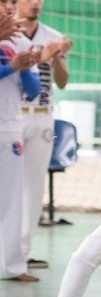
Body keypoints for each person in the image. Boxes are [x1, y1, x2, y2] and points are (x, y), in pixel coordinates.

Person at [16, 0, 72, 270]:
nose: (35, 3)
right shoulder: (8, 34)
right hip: (13, 115)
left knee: (34, 186)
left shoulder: (51, 36)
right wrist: (44, 56)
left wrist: (58, 56)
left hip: (42, 117)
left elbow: (62, 81)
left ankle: (23, 251)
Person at [1, 0, 40, 282]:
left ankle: (12, 266)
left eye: (10, 3)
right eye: (2, 2)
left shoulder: (19, 42)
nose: (6, 7)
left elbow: (33, 92)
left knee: (11, 200)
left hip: (9, 129)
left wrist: (24, 68)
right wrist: (9, 67)